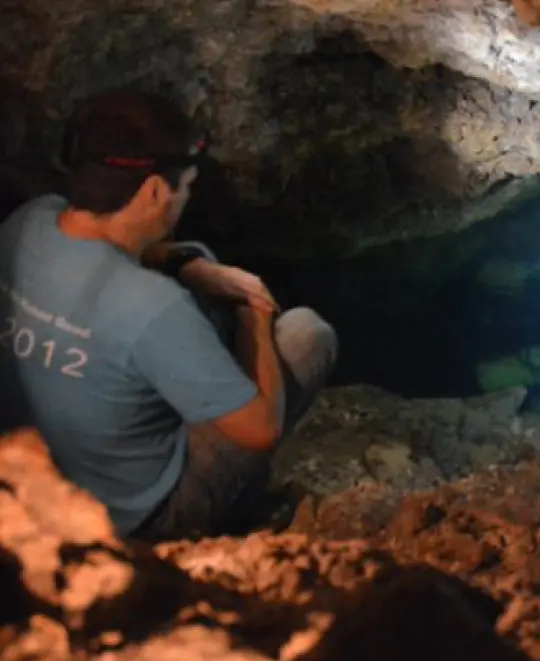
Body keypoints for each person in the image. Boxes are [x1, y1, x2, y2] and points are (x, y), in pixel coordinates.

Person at [0, 88, 338, 540]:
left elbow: (112, 262)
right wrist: (250, 312)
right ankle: (238, 513)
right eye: (186, 188)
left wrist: (189, 264)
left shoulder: (29, 222)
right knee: (305, 335)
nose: (184, 200)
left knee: (200, 264)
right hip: (131, 522)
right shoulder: (152, 306)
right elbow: (258, 430)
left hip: (32, 492)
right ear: (156, 189)